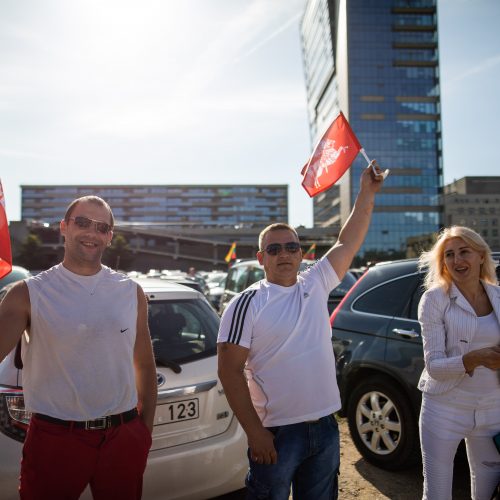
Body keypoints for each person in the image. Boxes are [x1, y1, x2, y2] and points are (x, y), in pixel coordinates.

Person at [217, 162, 385, 499]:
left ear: (301, 253)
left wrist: (367, 192)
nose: (284, 254)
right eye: (275, 249)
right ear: (261, 257)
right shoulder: (245, 303)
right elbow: (229, 371)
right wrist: (255, 433)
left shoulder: (316, 282)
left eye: (291, 247)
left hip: (324, 425)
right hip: (277, 433)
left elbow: (347, 241)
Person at [0, 195, 158, 500]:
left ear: (110, 237)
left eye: (102, 227)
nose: (91, 233)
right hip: (56, 439)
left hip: (122, 437)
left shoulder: (131, 292)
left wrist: (143, 432)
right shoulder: (28, 293)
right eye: (82, 222)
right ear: (63, 227)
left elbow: (145, 365)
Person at [417, 226, 500, 500]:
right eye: (449, 255)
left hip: (493, 409)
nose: (456, 260)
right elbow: (435, 366)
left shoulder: (497, 294)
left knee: (488, 490)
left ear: (480, 256)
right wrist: (475, 358)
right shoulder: (433, 299)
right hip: (444, 409)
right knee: (438, 493)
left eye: (464, 252)